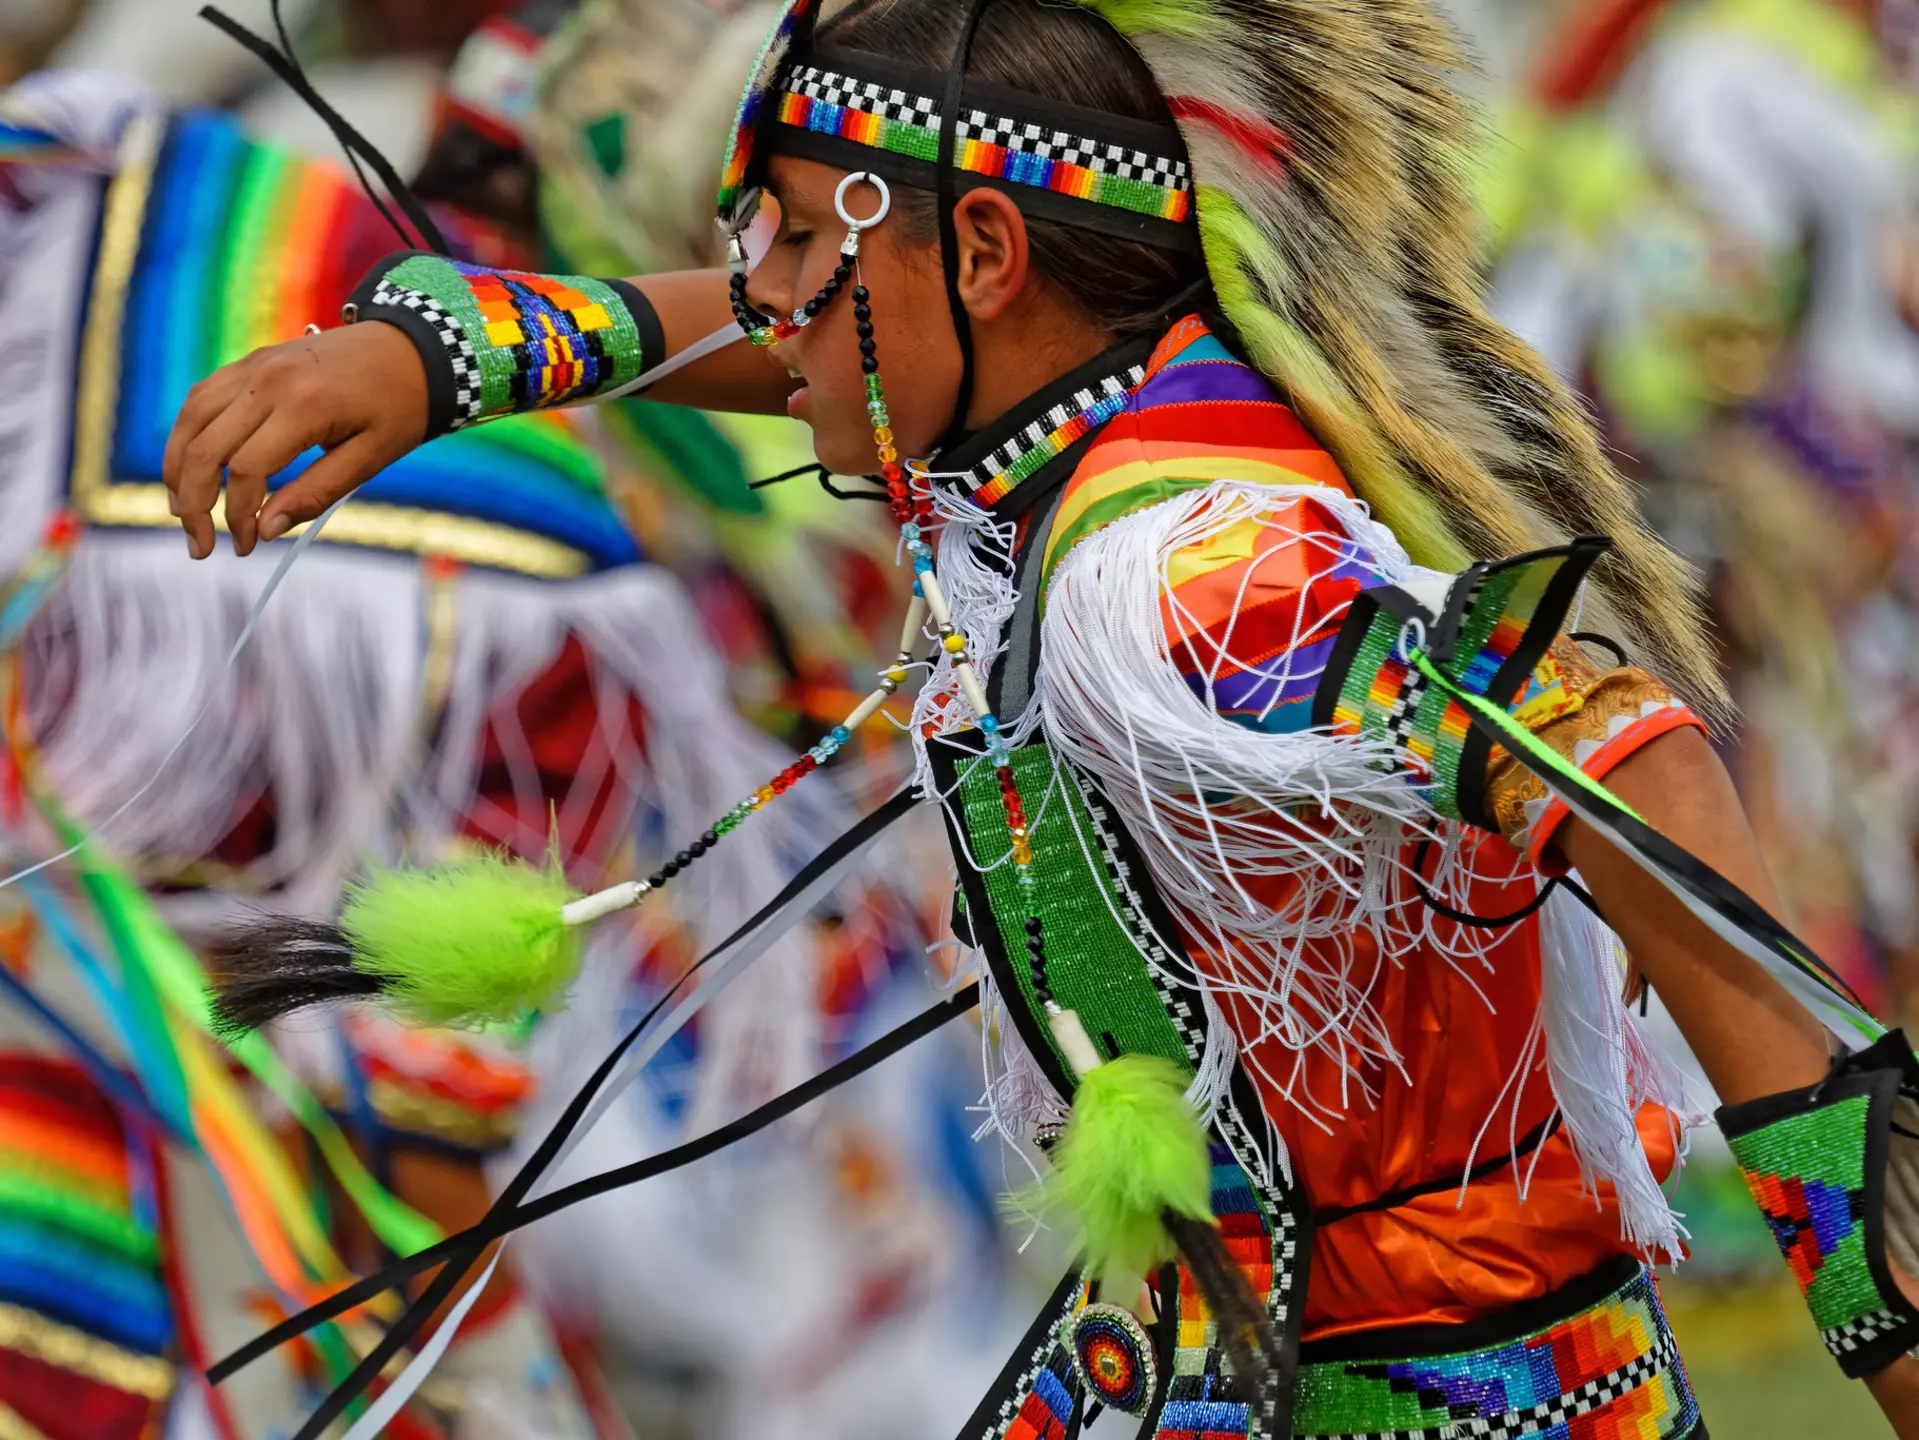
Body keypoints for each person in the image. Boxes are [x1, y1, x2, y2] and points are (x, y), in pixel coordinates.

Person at [162, 0, 1919, 1434]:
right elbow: (780, 334)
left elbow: (1614, 757)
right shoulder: (1102, 413)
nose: (760, 293)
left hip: (1431, 1396)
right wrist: (465, 354)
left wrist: (1872, 1272)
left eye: (785, 236)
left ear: (989, 254)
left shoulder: (1177, 571)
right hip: (1241, 1367)